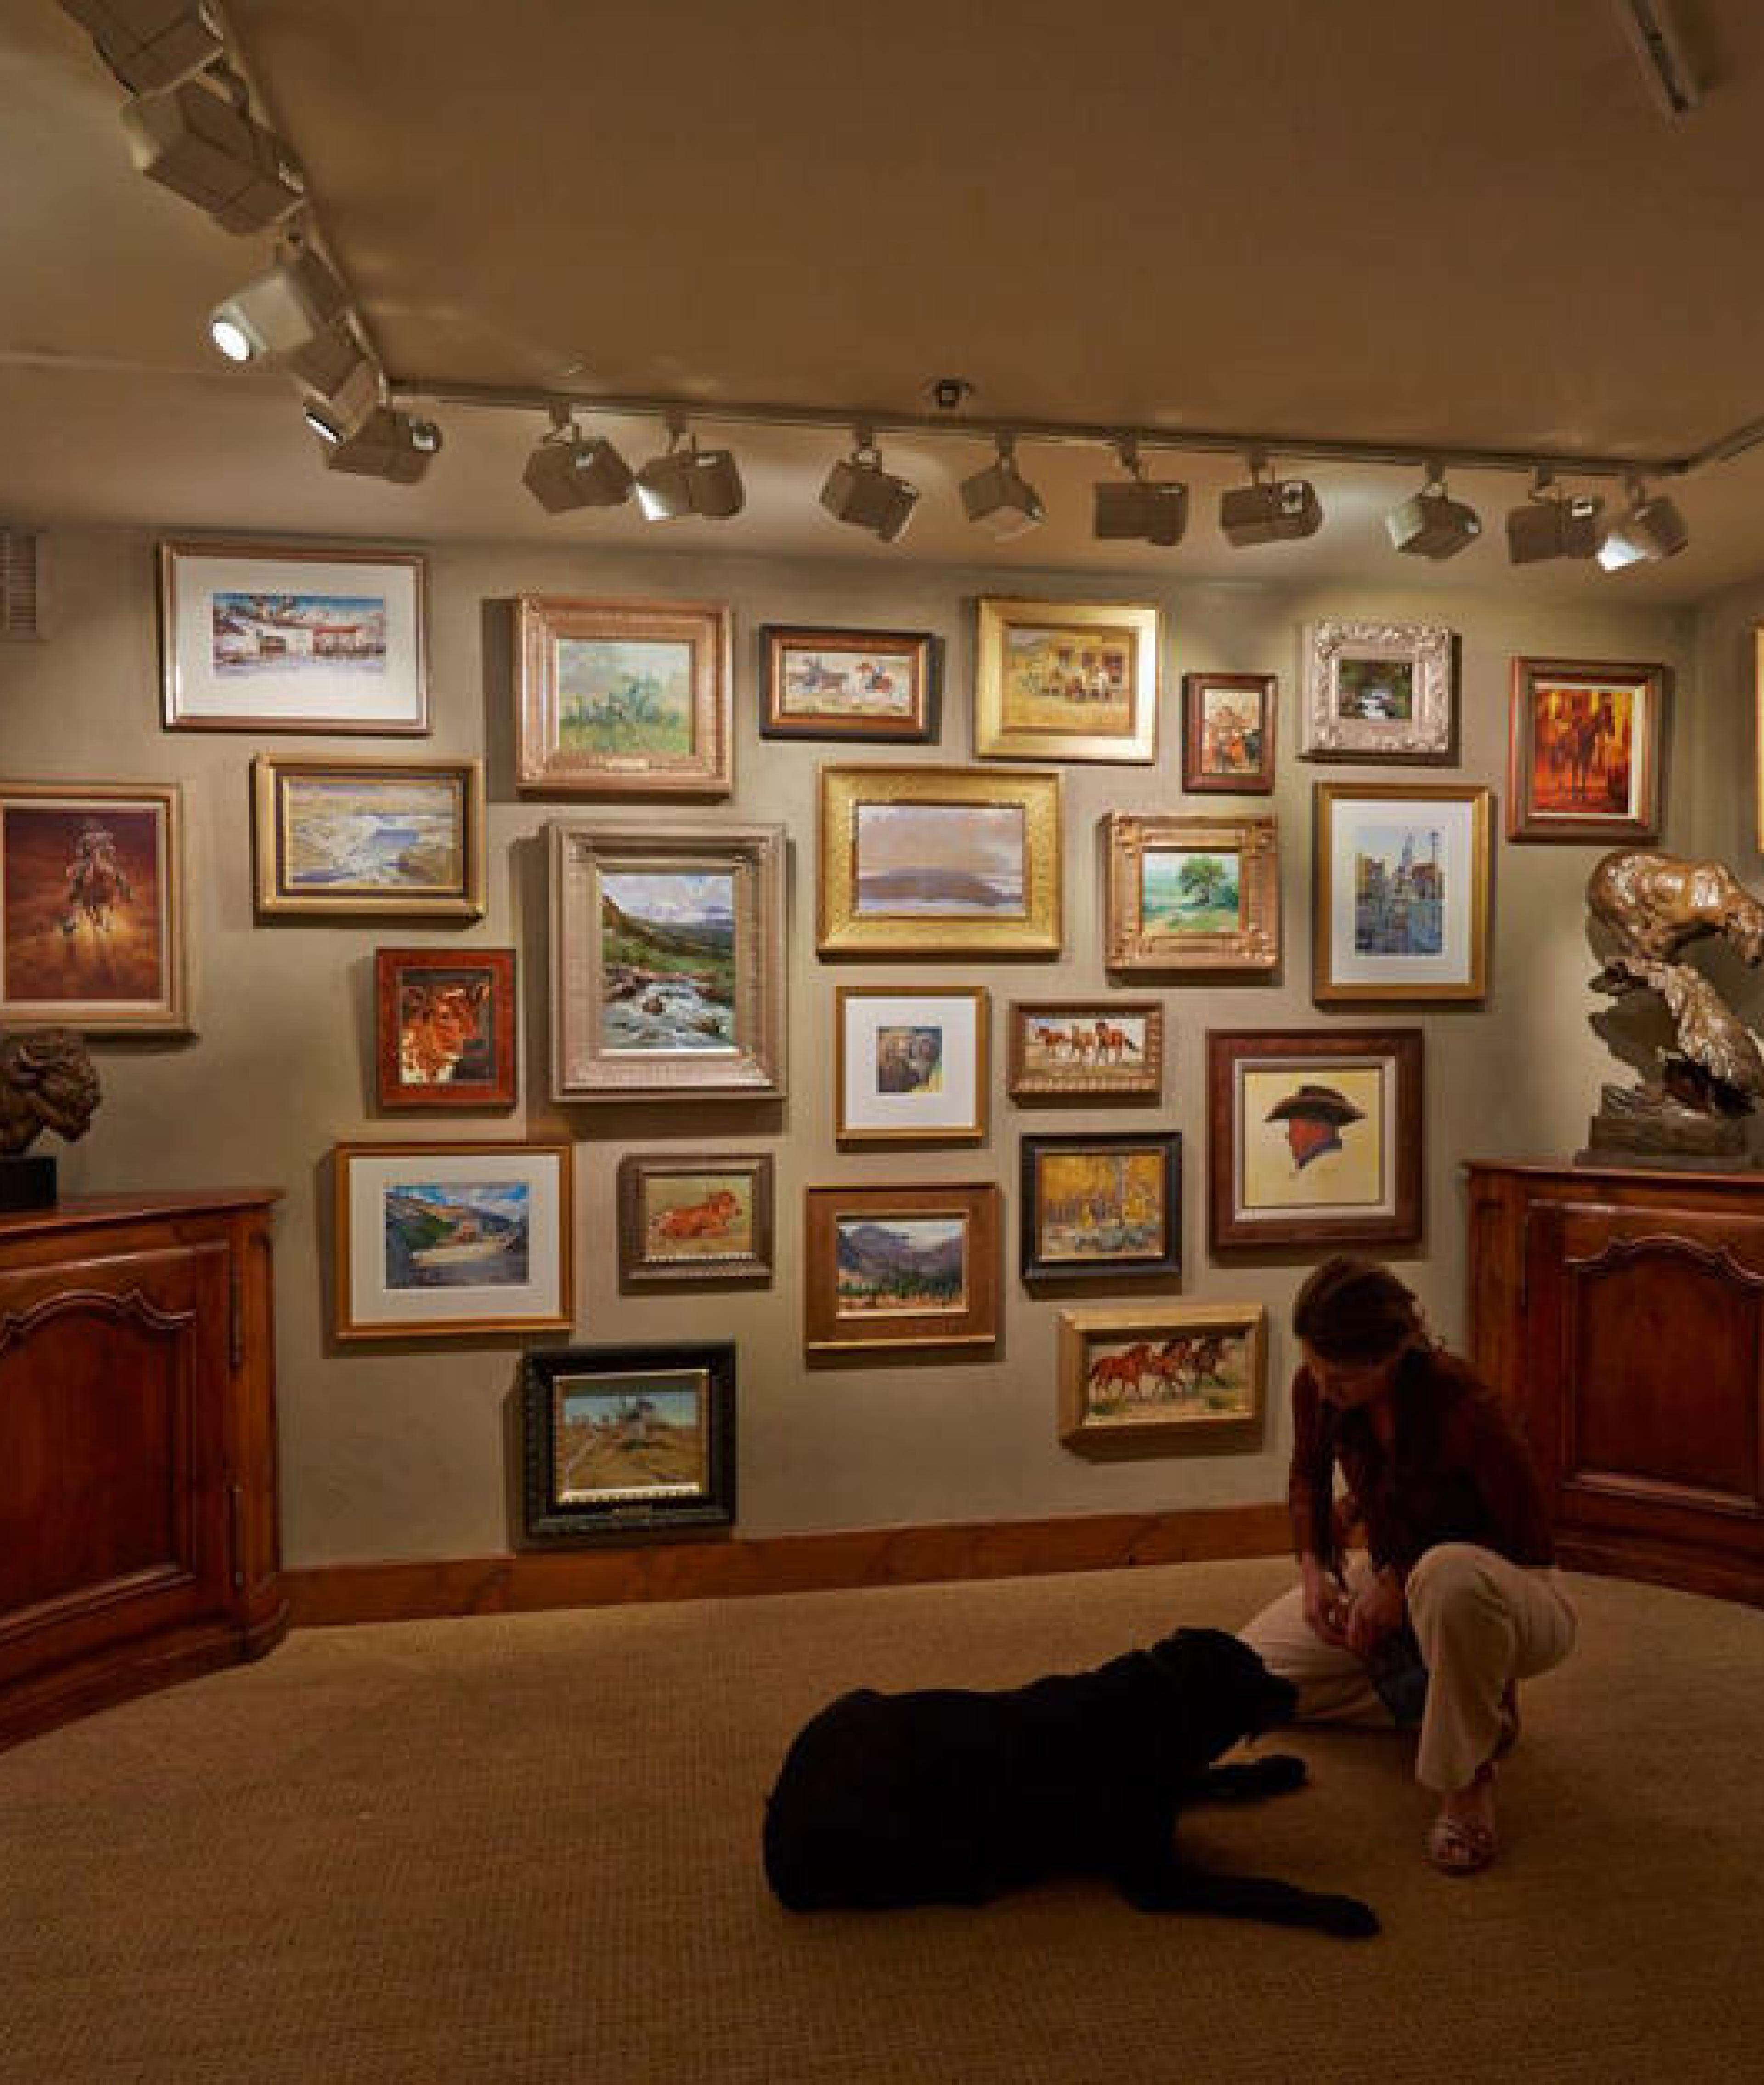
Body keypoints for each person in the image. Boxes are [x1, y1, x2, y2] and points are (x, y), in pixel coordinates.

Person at [1240, 1255, 1575, 1876]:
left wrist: (1400, 1579)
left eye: (1339, 1377)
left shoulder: (1467, 1408)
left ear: (1392, 1354)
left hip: (1509, 1587)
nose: (1322, 1386)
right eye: (1314, 1366)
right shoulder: (1318, 1386)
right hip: (1398, 1568)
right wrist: (1315, 1574)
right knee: (1251, 1679)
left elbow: (1525, 1539)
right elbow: (1307, 1478)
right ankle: (1462, 1706)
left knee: (1446, 1577)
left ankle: (1464, 1781)